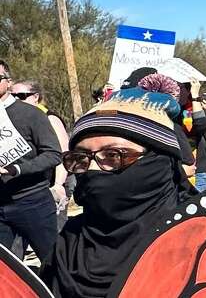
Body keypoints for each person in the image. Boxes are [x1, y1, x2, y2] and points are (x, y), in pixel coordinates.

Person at [42, 87, 193, 298]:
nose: (92, 170)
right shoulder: (69, 241)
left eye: (113, 155)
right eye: (81, 158)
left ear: (159, 162)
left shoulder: (198, 242)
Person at [0, 60, 62, 264]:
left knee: (52, 262)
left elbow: (53, 154)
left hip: (32, 201)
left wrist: (16, 169)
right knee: (6, 271)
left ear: (8, 82)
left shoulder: (30, 114)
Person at [9, 80, 73, 230]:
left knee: (54, 234)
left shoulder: (50, 118)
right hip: (29, 187)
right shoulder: (16, 119)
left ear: (36, 96)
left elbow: (63, 155)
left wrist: (58, 185)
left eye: (21, 96)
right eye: (13, 96)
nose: (17, 99)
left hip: (54, 183)